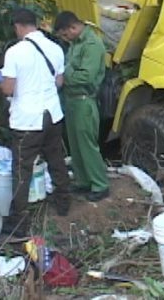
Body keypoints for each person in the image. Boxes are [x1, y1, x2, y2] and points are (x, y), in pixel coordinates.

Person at [0, 8, 71, 236]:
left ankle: (19, 220)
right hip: (52, 115)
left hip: (27, 120)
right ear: (35, 24)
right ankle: (64, 204)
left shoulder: (15, 52)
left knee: (22, 168)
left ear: (18, 26)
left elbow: (8, 88)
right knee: (56, 159)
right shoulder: (55, 48)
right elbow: (59, 82)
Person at [54, 11, 110, 202]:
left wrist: (63, 78)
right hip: (72, 101)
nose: (64, 38)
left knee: (87, 145)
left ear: (73, 27)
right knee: (75, 145)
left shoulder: (92, 45)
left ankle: (100, 184)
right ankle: (83, 181)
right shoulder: (75, 45)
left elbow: (86, 75)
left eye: (64, 34)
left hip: (84, 100)